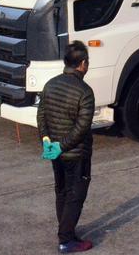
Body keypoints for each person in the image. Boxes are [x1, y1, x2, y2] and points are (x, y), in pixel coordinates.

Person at [37, 41, 96, 253]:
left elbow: (41, 114)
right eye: (87, 62)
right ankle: (66, 239)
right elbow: (82, 128)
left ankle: (65, 231)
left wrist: (46, 140)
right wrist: (63, 146)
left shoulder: (50, 85)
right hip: (75, 154)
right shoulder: (85, 92)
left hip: (54, 152)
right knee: (75, 194)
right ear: (82, 64)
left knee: (61, 190)